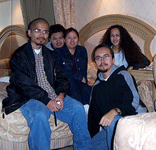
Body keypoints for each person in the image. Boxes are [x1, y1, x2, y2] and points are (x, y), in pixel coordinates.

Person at [2, 18, 94, 150]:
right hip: (28, 98)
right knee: (40, 116)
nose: (41, 35)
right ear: (29, 32)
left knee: (78, 108)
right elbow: (23, 85)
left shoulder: (51, 55)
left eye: (45, 31)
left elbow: (62, 77)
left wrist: (61, 94)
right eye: (37, 30)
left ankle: (85, 148)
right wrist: (46, 101)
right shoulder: (19, 55)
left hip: (53, 94)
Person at [88, 44, 144, 150]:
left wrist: (114, 112)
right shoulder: (97, 86)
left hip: (133, 119)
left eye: (106, 56)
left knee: (113, 122)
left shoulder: (123, 75)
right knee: (87, 147)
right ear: (95, 62)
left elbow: (134, 102)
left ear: (113, 59)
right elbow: (93, 114)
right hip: (111, 127)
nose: (102, 60)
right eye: (98, 58)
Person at [54, 27, 92, 105]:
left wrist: (85, 81)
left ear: (78, 39)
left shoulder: (82, 50)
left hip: (80, 81)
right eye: (69, 38)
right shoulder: (58, 52)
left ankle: (90, 108)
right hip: (66, 82)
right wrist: (78, 77)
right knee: (73, 86)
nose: (72, 40)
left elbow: (84, 69)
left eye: (74, 37)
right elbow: (61, 71)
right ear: (64, 39)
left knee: (88, 90)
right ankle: (82, 108)